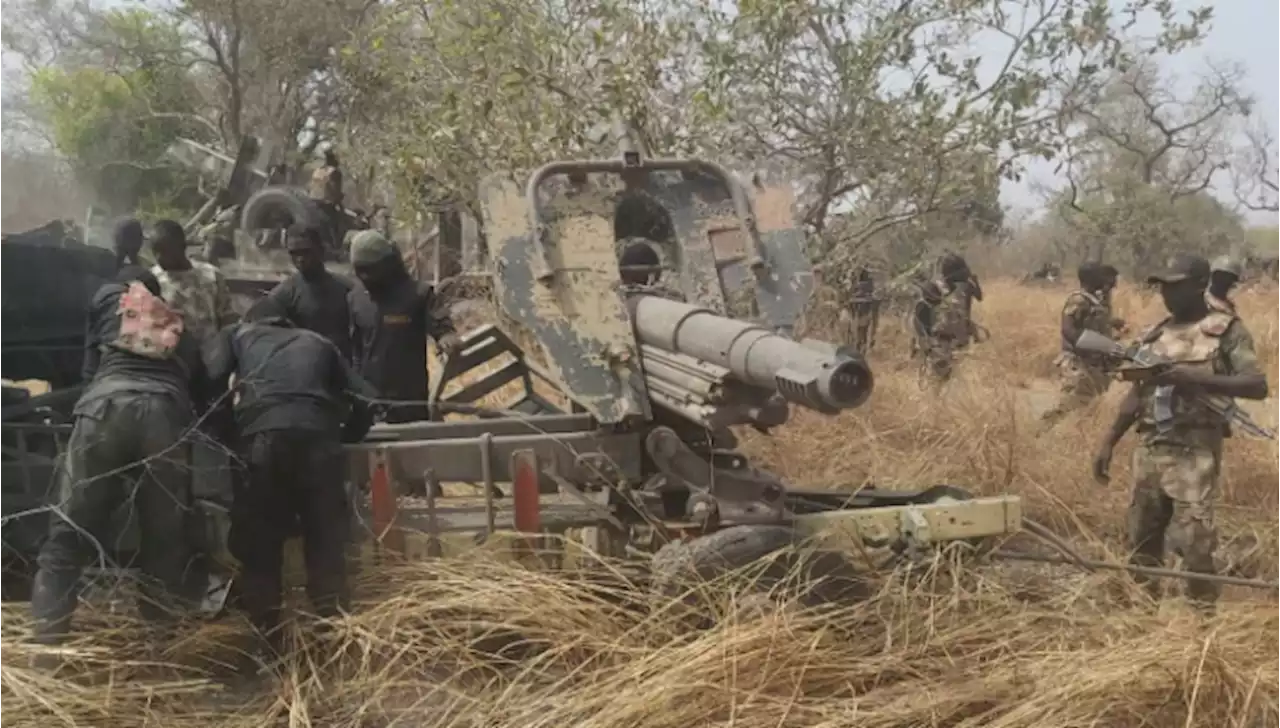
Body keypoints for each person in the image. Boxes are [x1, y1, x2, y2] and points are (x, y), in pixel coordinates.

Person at [31, 266, 209, 648]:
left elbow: (87, 373)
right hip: (164, 417)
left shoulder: (106, 305)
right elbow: (201, 390)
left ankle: (46, 645)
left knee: (68, 535)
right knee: (164, 541)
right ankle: (158, 646)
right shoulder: (180, 331)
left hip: (103, 411)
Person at [1091, 254, 1267, 613]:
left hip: (1196, 452)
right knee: (1141, 539)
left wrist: (1195, 378)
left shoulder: (1227, 329)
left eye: (1176, 285)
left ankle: (1200, 623)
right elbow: (1137, 394)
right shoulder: (1155, 334)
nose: (1167, 293)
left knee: (1196, 543)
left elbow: (1256, 384)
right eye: (1163, 286)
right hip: (1151, 449)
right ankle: (1141, 615)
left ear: (1200, 284)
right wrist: (1109, 441)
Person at [204, 297, 376, 653]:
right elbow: (367, 399)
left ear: (254, 320)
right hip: (319, 444)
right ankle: (333, 633)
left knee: (262, 543)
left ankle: (267, 639)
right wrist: (345, 437)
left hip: (264, 443)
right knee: (325, 540)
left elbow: (210, 383)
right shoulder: (317, 342)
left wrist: (226, 433)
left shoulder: (239, 334)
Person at [348, 230, 461, 424]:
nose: (364, 276)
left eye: (370, 270)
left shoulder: (418, 294)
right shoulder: (355, 298)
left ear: (387, 264)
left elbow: (440, 325)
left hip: (409, 404)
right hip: (370, 405)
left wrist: (447, 337)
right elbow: (355, 350)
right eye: (359, 270)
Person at [1041, 262, 1125, 423]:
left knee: (1089, 406)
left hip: (1093, 364)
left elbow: (1092, 323)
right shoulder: (1078, 299)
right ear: (1091, 278)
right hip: (1077, 364)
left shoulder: (1094, 301)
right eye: (1100, 275)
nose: (1104, 280)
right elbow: (1068, 329)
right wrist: (1102, 345)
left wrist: (1112, 324)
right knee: (1068, 404)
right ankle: (1040, 431)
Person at [265, 224, 355, 361]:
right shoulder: (282, 295)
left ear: (320, 250)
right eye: (294, 253)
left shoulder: (346, 288)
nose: (300, 259)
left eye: (306, 252)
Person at [150, 219, 238, 345]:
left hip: (212, 352)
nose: (158, 257)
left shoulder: (211, 275)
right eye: (155, 251)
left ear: (182, 247)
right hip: (174, 358)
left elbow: (227, 317)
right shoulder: (152, 280)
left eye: (164, 251)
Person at [910, 254, 975, 384]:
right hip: (937, 344)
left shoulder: (961, 289)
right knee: (936, 382)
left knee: (951, 384)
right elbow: (919, 317)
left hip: (954, 345)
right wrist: (926, 343)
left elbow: (964, 314)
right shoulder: (933, 289)